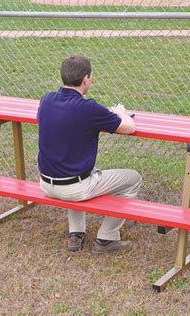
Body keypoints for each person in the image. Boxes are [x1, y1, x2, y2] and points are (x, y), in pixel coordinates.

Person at [37, 54, 142, 255]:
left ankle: (75, 234)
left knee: (73, 166)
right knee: (133, 179)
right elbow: (129, 127)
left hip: (46, 184)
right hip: (75, 187)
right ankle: (107, 238)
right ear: (86, 79)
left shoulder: (47, 99)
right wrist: (120, 113)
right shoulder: (89, 109)